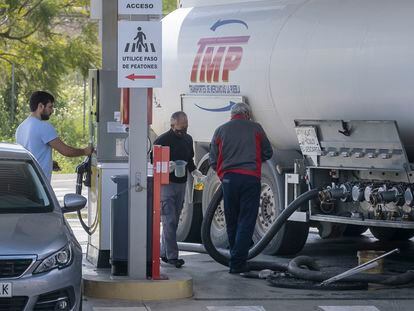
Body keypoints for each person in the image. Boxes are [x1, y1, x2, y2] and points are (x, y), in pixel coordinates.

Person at [209, 102, 273, 274]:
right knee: (246, 220)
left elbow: (213, 159)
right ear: (247, 114)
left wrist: (223, 174)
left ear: (231, 115)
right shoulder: (256, 129)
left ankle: (234, 259)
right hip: (250, 179)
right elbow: (268, 153)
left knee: (232, 220)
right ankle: (238, 263)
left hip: (229, 180)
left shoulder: (221, 130)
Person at [153, 111, 203, 268]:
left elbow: (189, 160)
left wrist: (195, 172)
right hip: (166, 184)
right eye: (180, 129)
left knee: (174, 219)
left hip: (182, 184)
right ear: (172, 125)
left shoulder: (188, 139)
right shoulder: (162, 140)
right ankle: (173, 256)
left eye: (185, 128)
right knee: (169, 219)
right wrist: (166, 166)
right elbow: (152, 160)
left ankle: (164, 252)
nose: (183, 132)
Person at [15, 91, 93, 181]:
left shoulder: (21, 127)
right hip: (39, 182)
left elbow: (30, 154)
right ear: (40, 106)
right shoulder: (43, 126)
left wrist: (48, 163)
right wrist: (85, 151)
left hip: (26, 179)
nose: (52, 111)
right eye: (50, 107)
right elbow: (66, 151)